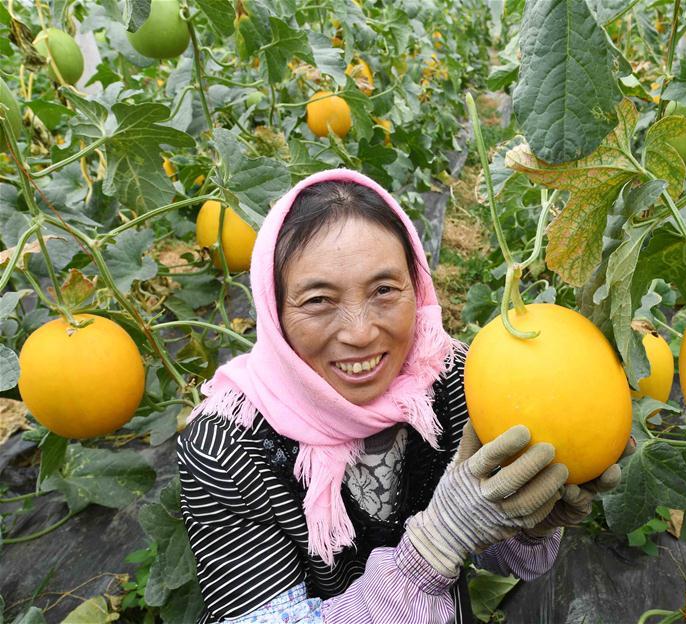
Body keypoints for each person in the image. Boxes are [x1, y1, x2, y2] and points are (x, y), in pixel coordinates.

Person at [177, 169, 635, 623]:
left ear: (416, 287)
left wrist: (527, 525)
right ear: (273, 308)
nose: (360, 332)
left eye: (384, 290)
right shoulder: (223, 447)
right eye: (318, 300)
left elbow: (496, 554)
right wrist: (432, 548)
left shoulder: (452, 379)